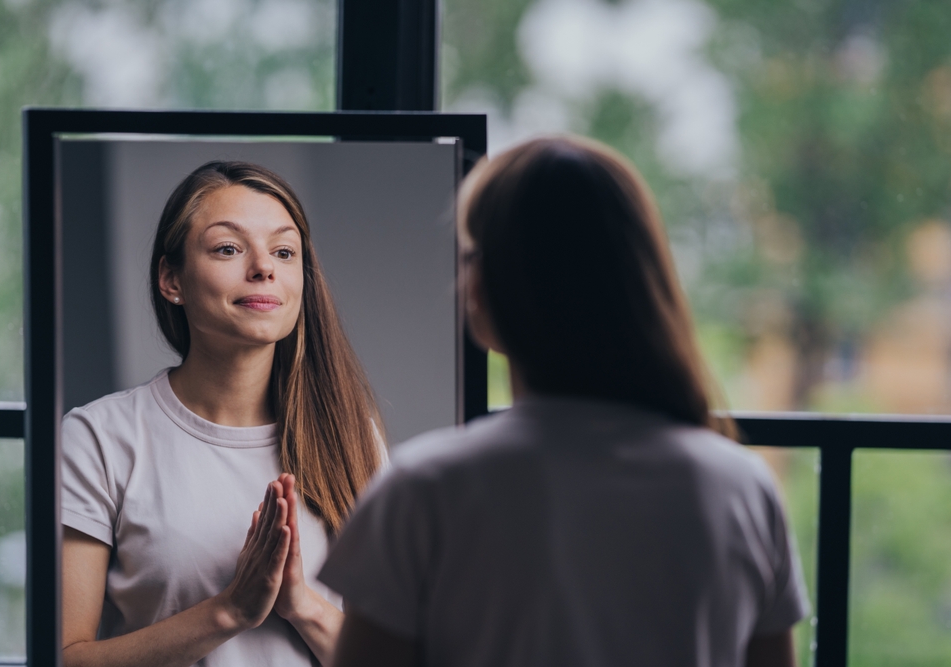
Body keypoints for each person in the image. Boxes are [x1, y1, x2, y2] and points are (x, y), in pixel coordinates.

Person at [318, 136, 810, 667]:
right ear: (642, 278)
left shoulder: (424, 492)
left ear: (482, 287)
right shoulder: (742, 489)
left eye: (466, 258)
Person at [61, 160, 385, 667]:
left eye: (283, 251)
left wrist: (300, 604)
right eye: (229, 248)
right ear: (172, 279)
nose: (264, 268)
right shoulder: (98, 437)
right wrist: (230, 610)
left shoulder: (352, 437)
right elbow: (65, 658)